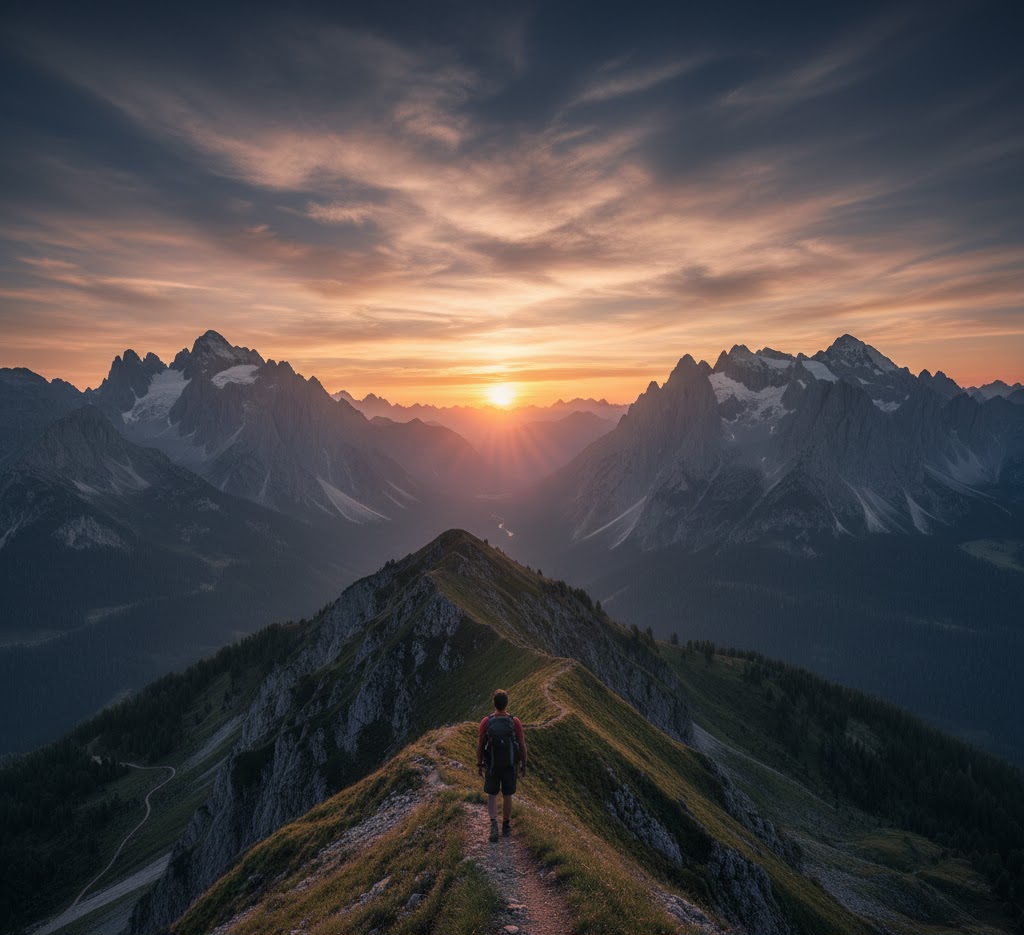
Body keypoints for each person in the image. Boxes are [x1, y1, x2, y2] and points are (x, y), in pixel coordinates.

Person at [477, 689, 527, 842]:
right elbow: (522, 745)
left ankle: (493, 825)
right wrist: (523, 764)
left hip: (492, 765)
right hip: (510, 765)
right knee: (507, 795)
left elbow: (480, 745)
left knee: (492, 795)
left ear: (494, 703)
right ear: (507, 703)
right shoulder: (514, 721)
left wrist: (480, 763)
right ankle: (506, 825)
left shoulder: (486, 722)